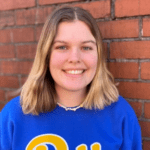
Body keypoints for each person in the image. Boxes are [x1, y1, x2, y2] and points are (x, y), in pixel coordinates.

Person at [0, 6, 142, 150]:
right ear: (46, 55)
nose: (75, 58)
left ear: (98, 55)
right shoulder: (14, 116)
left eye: (86, 47)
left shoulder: (120, 115)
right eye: (62, 47)